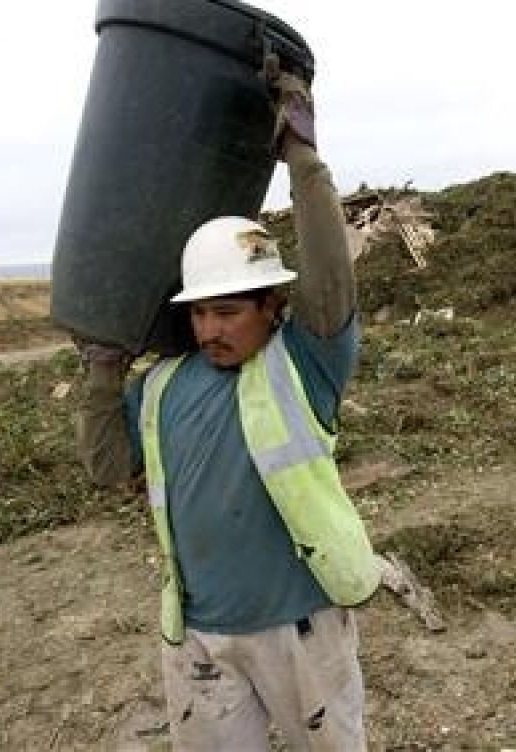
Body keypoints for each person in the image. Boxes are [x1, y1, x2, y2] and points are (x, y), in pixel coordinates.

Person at [75, 64, 379, 750]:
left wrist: (298, 145)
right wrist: (100, 367)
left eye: (229, 310)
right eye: (200, 313)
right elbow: (104, 467)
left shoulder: (304, 363)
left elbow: (330, 266)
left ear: (273, 306)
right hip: (201, 636)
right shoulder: (161, 387)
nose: (211, 328)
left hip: (299, 629)